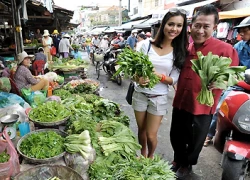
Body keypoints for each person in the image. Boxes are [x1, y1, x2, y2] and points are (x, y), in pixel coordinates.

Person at [170, 5, 239, 179]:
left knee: (195, 139)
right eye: (197, 25)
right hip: (181, 101)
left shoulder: (225, 49)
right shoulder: (186, 48)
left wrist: (221, 82)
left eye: (206, 26)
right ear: (191, 25)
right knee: (176, 134)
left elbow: (234, 75)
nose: (200, 30)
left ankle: (187, 164)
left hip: (202, 105)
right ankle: (178, 160)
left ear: (214, 27)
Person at [132, 8, 188, 159]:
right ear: (164, 25)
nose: (174, 29)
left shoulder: (179, 51)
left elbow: (173, 80)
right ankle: (142, 154)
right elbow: (134, 70)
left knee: (151, 134)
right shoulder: (145, 45)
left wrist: (159, 76)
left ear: (182, 28)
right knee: (141, 130)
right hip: (140, 94)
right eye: (171, 24)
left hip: (159, 97)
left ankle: (150, 157)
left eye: (179, 25)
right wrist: (139, 78)